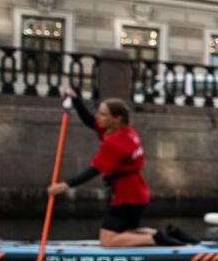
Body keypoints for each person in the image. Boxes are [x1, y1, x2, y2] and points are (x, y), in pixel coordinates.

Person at [46, 89, 196, 247]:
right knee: (127, 232)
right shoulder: (125, 131)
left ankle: (154, 238)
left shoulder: (116, 143)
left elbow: (95, 170)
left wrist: (64, 185)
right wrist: (76, 100)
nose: (98, 117)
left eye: (103, 114)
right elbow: (90, 121)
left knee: (108, 240)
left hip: (127, 196)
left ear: (117, 118)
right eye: (99, 113)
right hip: (136, 193)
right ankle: (170, 234)